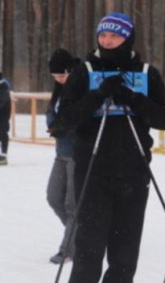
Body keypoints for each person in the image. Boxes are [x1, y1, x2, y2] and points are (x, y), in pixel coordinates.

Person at [58, 13, 165, 283]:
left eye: (115, 36)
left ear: (128, 38)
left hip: (134, 172)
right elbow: (65, 119)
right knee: (89, 248)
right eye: (103, 35)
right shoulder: (84, 71)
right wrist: (97, 95)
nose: (107, 41)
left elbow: (164, 118)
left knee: (125, 253)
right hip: (93, 171)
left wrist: (133, 99)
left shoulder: (146, 73)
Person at [45, 49, 80, 264]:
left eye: (61, 75)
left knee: (72, 204)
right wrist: (54, 126)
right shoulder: (59, 90)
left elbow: (83, 117)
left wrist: (67, 127)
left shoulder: (80, 87)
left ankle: (69, 248)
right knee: (54, 197)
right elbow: (52, 112)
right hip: (61, 153)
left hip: (78, 153)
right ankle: (81, 232)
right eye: (55, 77)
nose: (58, 80)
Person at [0, 71, 10, 166]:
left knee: (2, 133)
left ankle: (3, 155)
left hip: (3, 116)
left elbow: (3, 101)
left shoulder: (4, 85)